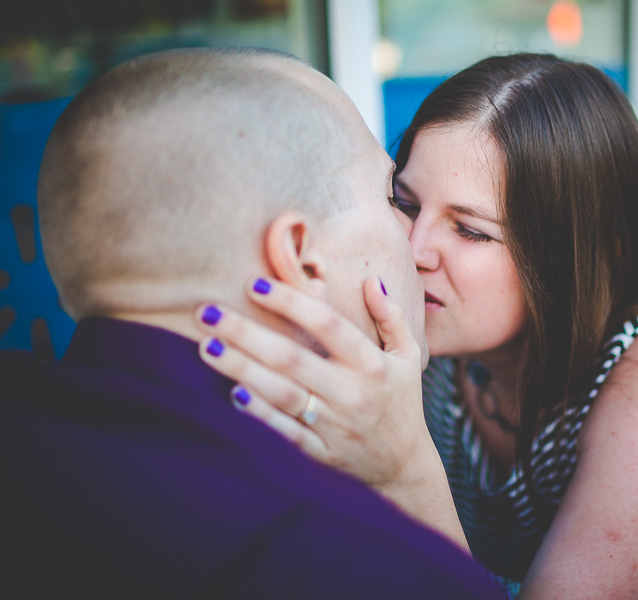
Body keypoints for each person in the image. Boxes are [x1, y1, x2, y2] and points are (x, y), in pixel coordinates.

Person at [195, 54, 638, 599]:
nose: (414, 251)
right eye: (405, 204)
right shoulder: (435, 350)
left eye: (470, 230)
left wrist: (404, 468)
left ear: (584, 252)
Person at [0, 47, 507, 600]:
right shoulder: (355, 561)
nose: (415, 245)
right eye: (393, 199)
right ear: (299, 254)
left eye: (471, 230)